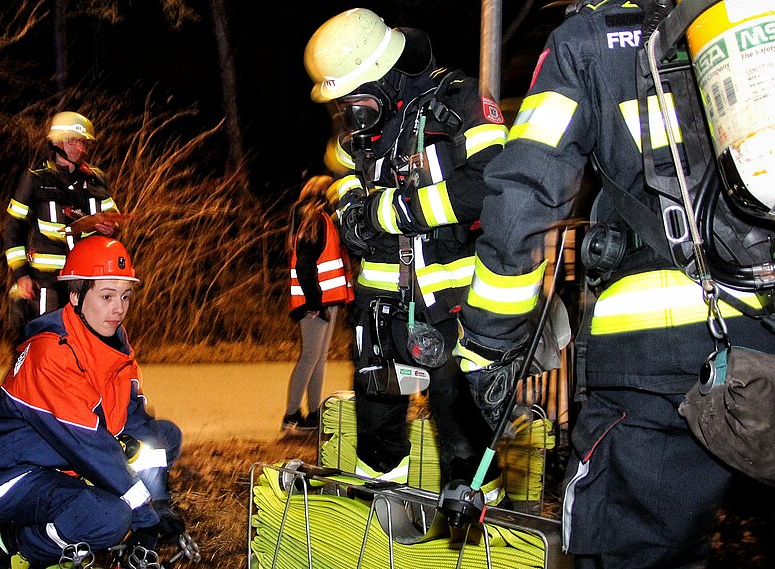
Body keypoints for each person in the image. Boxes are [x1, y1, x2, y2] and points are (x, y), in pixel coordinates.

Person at [452, 1, 775, 566]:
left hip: (654, 368)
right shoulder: (747, 23)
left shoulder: (587, 41)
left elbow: (527, 189)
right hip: (763, 339)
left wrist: (488, 341)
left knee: (632, 548)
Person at [303, 8, 508, 494]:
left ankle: (483, 530)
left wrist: (390, 213)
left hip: (450, 303)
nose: (350, 117)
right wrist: (349, 207)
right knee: (377, 423)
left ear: (383, 71)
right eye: (343, 107)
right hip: (378, 304)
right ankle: (382, 518)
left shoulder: (459, 100)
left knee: (459, 425)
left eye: (356, 103)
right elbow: (344, 172)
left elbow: (491, 182)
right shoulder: (363, 125)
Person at [0, 236, 185, 569]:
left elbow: (134, 422)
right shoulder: (50, 353)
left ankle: (66, 514)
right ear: (76, 295)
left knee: (165, 436)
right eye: (107, 296)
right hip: (7, 477)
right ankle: (16, 544)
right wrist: (144, 515)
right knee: (110, 518)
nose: (119, 308)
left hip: (65, 462)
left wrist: (160, 500)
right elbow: (91, 446)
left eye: (125, 296)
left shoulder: (117, 347)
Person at [4, 111, 121, 341]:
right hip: (46, 280)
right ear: (56, 142)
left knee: (87, 342)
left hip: (87, 277)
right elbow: (13, 228)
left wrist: (110, 226)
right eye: (73, 141)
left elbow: (113, 216)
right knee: (46, 340)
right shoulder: (35, 178)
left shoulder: (95, 178)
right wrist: (21, 275)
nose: (80, 148)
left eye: (83, 142)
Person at [283, 174, 353, 431]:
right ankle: (291, 415)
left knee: (318, 358)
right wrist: (315, 303)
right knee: (311, 357)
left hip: (325, 300)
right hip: (317, 301)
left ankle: (313, 413)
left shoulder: (316, 220)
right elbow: (305, 266)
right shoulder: (316, 220)